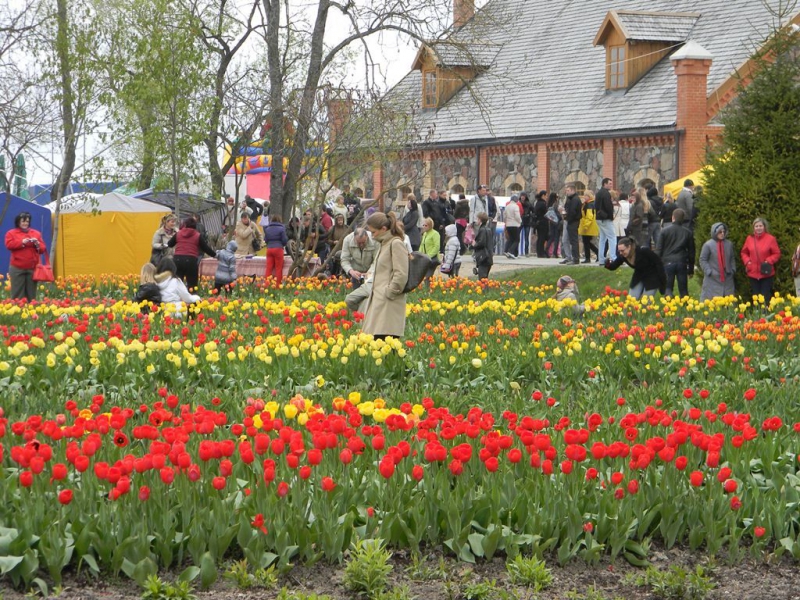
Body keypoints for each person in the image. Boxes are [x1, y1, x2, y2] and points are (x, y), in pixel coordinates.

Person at [361, 212, 409, 339]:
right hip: (380, 301)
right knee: (378, 345)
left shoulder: (395, 243)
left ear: (383, 229)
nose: (372, 235)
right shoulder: (384, 244)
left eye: (373, 232)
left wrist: (390, 292)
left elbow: (401, 273)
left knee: (387, 345)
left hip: (389, 303)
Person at [5, 212, 47, 301]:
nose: (25, 223)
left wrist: (37, 244)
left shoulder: (36, 233)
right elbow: (9, 245)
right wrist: (22, 242)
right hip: (17, 267)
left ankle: (30, 310)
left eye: (27, 221)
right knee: (17, 293)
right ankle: (18, 310)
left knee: (31, 293)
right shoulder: (11, 233)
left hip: (32, 267)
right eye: (23, 221)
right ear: (18, 222)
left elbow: (43, 249)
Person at [167, 217, 216, 291]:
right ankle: (192, 299)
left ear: (185, 225)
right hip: (191, 260)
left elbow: (170, 244)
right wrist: (215, 255)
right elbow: (205, 248)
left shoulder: (178, 233)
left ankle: (176, 299)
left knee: (177, 283)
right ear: (195, 226)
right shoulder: (197, 235)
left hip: (177, 259)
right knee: (192, 285)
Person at [740, 217, 781, 306]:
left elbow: (777, 253)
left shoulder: (770, 239)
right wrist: (747, 262)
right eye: (756, 226)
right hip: (753, 273)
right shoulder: (749, 239)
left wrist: (768, 261)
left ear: (764, 227)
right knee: (756, 296)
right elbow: (744, 252)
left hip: (766, 273)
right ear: (753, 227)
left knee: (765, 296)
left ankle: (766, 316)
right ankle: (757, 317)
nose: (758, 228)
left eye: (760, 226)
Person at [655, 208, 695, 298]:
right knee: (683, 290)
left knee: (668, 288)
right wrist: (691, 269)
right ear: (683, 219)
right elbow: (691, 252)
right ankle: (685, 308)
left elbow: (659, 250)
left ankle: (669, 305)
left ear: (673, 217)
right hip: (681, 261)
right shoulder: (688, 232)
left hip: (667, 262)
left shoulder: (664, 231)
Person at [699, 222, 736, 301]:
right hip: (712, 278)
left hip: (727, 278)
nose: (722, 234)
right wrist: (709, 271)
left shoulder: (729, 244)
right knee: (713, 302)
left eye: (723, 232)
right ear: (715, 232)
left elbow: (732, 258)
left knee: (728, 302)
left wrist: (733, 269)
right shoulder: (708, 245)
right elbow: (703, 259)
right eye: (720, 232)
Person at [263, 214, 289, 285]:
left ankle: (267, 285)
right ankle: (278, 286)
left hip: (269, 249)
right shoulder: (282, 228)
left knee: (269, 268)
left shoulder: (267, 229)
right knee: (278, 268)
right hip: (278, 249)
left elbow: (265, 240)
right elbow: (284, 240)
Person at [595, 177, 616, 262]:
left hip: (599, 218)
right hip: (606, 218)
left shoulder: (598, 193)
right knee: (612, 238)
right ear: (605, 184)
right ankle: (613, 257)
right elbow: (608, 207)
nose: (611, 185)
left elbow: (596, 206)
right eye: (609, 183)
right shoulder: (606, 194)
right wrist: (611, 216)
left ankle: (601, 259)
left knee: (602, 239)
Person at [562, 184, 582, 265]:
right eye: (566, 190)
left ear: (573, 190)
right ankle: (571, 257)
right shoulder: (570, 199)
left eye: (568, 190)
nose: (567, 192)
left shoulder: (575, 199)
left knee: (574, 240)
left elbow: (573, 212)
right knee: (568, 240)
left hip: (573, 221)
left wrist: (568, 217)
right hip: (571, 221)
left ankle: (576, 258)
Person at [578, 190, 599, 263]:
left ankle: (588, 258)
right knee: (587, 242)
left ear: (589, 196)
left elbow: (589, 216)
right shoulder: (591, 203)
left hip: (588, 226)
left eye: (585, 195)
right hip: (590, 226)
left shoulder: (589, 204)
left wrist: (585, 226)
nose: (584, 197)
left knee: (586, 242)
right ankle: (597, 254)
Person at [472, 212, 494, 279]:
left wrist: (474, 244)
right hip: (488, 257)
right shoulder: (489, 229)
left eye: (477, 219)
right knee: (485, 278)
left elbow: (481, 243)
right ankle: (486, 289)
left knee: (482, 279)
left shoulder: (482, 230)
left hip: (483, 257)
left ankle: (484, 289)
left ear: (480, 220)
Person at [503, 194, 521, 258]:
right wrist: (520, 221)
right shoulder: (516, 206)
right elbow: (517, 216)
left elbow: (504, 216)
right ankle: (511, 251)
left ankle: (506, 250)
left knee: (510, 239)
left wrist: (506, 222)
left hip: (508, 225)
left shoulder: (507, 206)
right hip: (515, 225)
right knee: (516, 240)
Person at [532, 191, 549, 258]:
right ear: (543, 196)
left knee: (540, 238)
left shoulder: (538, 202)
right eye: (546, 195)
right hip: (542, 222)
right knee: (542, 238)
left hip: (539, 223)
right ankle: (541, 253)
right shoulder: (542, 203)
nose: (547, 197)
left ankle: (540, 252)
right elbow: (544, 213)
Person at [546, 193, 562, 258]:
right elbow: (558, 214)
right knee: (556, 238)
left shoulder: (548, 204)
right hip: (556, 222)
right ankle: (555, 252)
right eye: (557, 197)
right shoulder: (555, 205)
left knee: (551, 237)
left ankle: (546, 250)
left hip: (551, 222)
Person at [519, 191, 534, 256]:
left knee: (526, 237)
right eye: (522, 196)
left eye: (524, 196)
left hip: (527, 221)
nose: (522, 197)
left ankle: (526, 252)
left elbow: (533, 212)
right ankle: (516, 251)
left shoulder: (529, 204)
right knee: (517, 237)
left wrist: (530, 215)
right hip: (520, 221)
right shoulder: (518, 203)